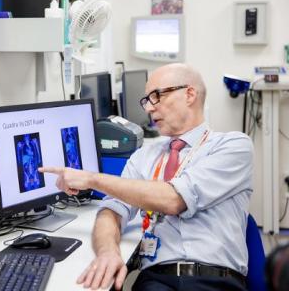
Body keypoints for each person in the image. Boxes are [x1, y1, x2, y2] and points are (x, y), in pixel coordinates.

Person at [39, 63, 253, 290]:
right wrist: (107, 252)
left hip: (214, 279)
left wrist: (92, 179)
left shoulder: (232, 146)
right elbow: (111, 211)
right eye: (147, 100)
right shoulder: (143, 156)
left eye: (157, 96)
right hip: (157, 280)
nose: (149, 108)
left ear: (189, 94)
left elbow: (174, 200)